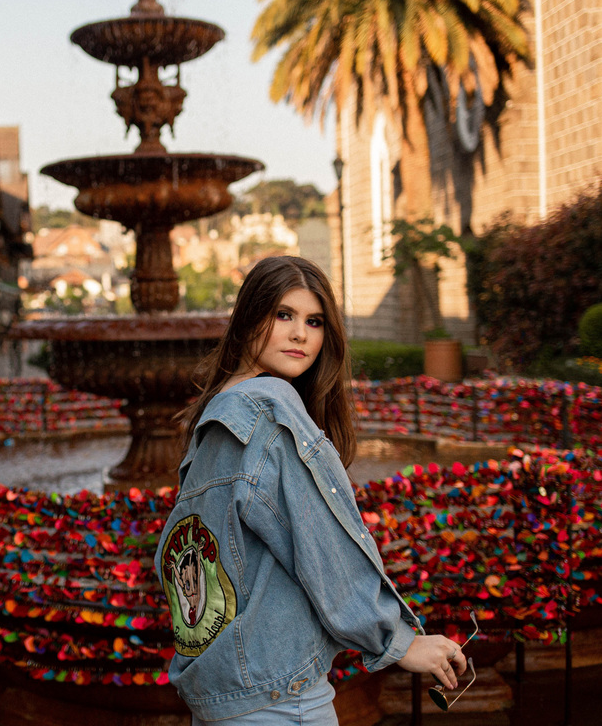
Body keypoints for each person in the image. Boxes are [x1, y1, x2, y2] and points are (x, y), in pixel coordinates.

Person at [154, 256, 467, 724]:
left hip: (226, 695)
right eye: (284, 315)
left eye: (314, 321)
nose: (301, 334)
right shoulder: (269, 413)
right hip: (280, 697)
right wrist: (398, 640)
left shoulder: (217, 413)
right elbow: (320, 542)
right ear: (248, 318)